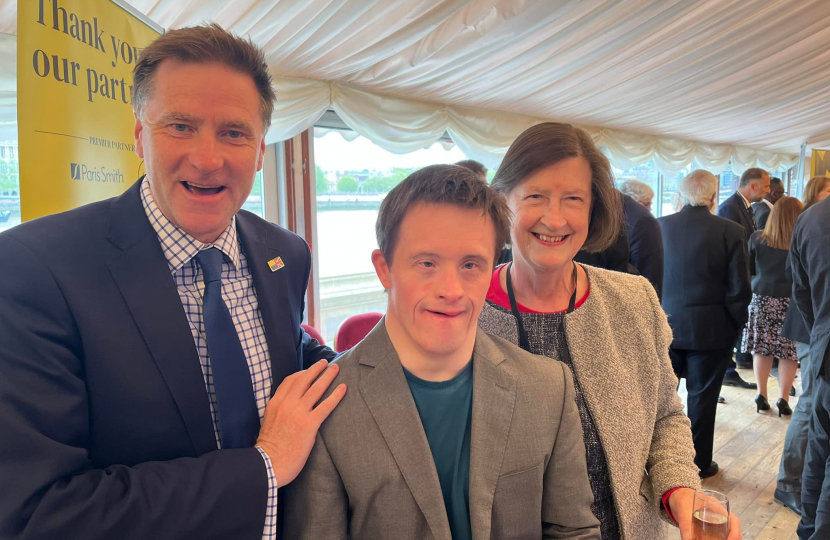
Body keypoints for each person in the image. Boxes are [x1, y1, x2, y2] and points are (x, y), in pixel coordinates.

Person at [0, 25, 344, 539]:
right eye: (180, 126)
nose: (208, 159)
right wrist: (264, 466)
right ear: (139, 136)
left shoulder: (286, 253)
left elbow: (284, 353)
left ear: (258, 152)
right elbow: (40, 514)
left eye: (234, 132)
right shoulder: (34, 268)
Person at [285, 165, 601, 540]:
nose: (451, 290)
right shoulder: (323, 406)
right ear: (384, 269)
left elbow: (573, 531)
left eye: (470, 265)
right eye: (427, 264)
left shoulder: (549, 386)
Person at [478, 123, 742, 540]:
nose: (555, 217)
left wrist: (679, 489)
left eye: (573, 199)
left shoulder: (632, 300)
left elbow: (665, 418)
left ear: (593, 209)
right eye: (535, 196)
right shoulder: (465, 311)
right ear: (502, 202)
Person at [659, 170, 751, 479]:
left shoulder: (660, 227)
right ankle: (698, 465)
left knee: (659, 398)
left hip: (665, 326)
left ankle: (655, 462)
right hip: (712, 330)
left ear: (681, 195)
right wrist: (735, 327)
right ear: (714, 196)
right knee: (702, 400)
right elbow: (740, 288)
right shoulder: (732, 231)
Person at [790, 196, 830, 540]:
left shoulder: (812, 217)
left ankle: (807, 528)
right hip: (822, 341)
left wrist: (821, 333)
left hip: (823, 345)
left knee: (820, 443)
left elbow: (801, 292)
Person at [742, 197, 803, 416]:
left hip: (762, 299)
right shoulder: (800, 240)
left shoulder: (757, 238)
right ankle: (784, 398)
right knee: (789, 353)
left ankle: (761, 394)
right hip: (792, 301)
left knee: (762, 349)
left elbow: (749, 268)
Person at [718, 167, 770, 384]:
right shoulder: (730, 208)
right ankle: (727, 371)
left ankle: (732, 368)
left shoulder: (746, 206)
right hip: (732, 278)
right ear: (753, 185)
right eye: (766, 186)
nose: (768, 191)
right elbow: (730, 247)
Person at [621, 191, 664, 300]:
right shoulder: (640, 220)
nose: (650, 208)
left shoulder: (644, 221)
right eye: (646, 204)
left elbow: (649, 281)